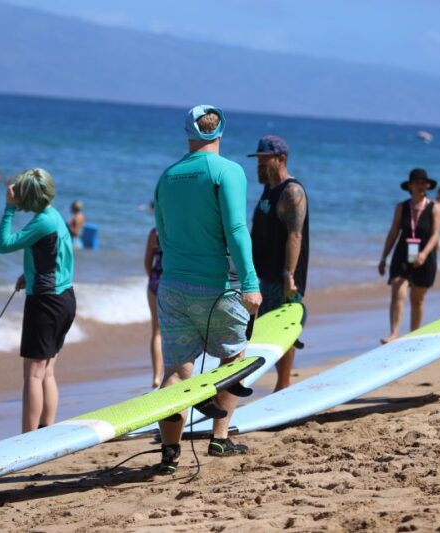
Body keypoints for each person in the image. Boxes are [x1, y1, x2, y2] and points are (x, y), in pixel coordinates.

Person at [153, 104, 262, 474]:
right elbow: (235, 230)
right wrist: (251, 282)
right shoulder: (227, 171)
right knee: (233, 356)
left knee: (176, 368)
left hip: (172, 285)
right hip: (216, 287)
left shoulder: (167, 177)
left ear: (188, 131)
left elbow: (163, 235)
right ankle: (219, 436)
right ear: (221, 131)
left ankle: (169, 453)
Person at [0, 168, 76, 432]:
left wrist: (9, 209)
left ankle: (27, 439)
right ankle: (46, 430)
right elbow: (54, 257)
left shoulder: (42, 221)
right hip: (63, 298)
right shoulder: (54, 215)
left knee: (33, 374)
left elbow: (4, 244)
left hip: (45, 303)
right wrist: (28, 274)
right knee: (47, 371)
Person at [248, 135, 309, 391]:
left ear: (281, 158)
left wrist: (289, 275)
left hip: (282, 275)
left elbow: (295, 235)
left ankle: (283, 384)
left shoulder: (291, 191)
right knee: (260, 326)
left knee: (283, 329)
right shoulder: (269, 188)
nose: (260, 165)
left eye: (265, 160)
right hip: (262, 272)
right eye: (258, 160)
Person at [378, 168, 440, 344]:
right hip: (402, 255)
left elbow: (436, 234)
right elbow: (393, 233)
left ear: (428, 186)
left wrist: (423, 253)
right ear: (410, 186)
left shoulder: (434, 208)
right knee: (397, 292)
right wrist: (384, 257)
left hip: (425, 257)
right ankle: (394, 333)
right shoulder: (402, 207)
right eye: (418, 183)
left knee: (417, 299)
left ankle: (414, 334)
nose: (421, 186)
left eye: (424, 183)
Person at [143, 200, 164, 388]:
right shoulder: (177, 232)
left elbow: (147, 263)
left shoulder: (155, 233)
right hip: (176, 283)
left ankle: (157, 376)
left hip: (156, 283)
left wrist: (153, 279)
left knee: (156, 331)